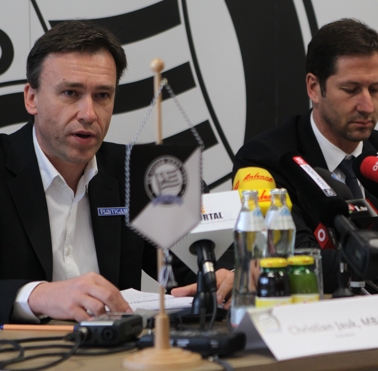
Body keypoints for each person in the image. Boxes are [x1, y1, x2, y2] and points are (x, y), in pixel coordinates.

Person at [0, 20, 232, 325]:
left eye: (102, 96)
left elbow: (198, 263)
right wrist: (36, 296)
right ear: (31, 98)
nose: (88, 114)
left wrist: (225, 275)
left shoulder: (136, 173)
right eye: (71, 93)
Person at [233, 18, 378, 295]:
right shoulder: (268, 159)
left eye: (376, 89)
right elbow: (293, 260)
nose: (367, 105)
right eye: (351, 90)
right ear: (313, 88)